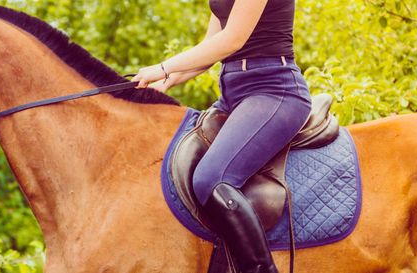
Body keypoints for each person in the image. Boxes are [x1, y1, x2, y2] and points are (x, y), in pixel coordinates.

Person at [131, 0, 311, 272]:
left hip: (274, 90)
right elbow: (211, 46)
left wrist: (164, 66)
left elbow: (232, 40)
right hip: (233, 95)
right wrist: (164, 82)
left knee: (211, 179)